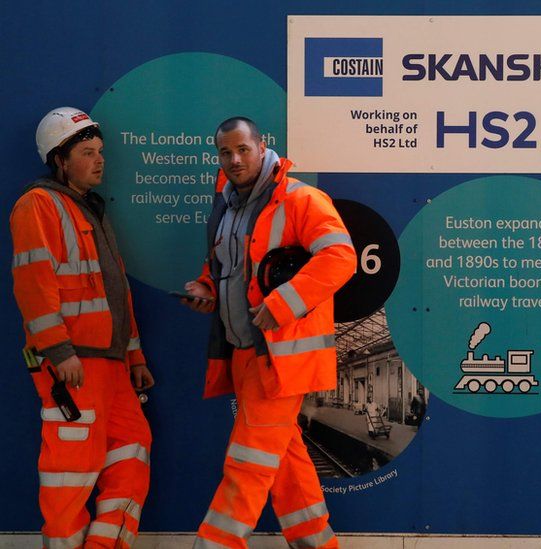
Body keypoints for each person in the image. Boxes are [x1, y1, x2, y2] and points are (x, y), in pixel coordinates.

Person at [181, 117, 355, 549]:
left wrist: (281, 305)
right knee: (287, 457)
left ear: (263, 147)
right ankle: (318, 542)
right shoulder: (227, 206)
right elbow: (227, 269)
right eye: (225, 153)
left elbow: (340, 257)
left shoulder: (301, 199)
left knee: (248, 462)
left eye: (242, 149)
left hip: (281, 355)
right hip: (243, 352)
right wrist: (205, 287)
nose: (234, 159)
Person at [11, 107, 153, 548]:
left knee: (133, 449)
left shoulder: (90, 210)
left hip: (110, 364)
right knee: (71, 471)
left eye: (101, 152)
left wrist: (134, 356)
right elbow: (34, 282)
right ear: (59, 160)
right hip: (73, 362)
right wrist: (58, 350)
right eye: (88, 152)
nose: (100, 161)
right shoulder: (37, 204)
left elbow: (116, 293)